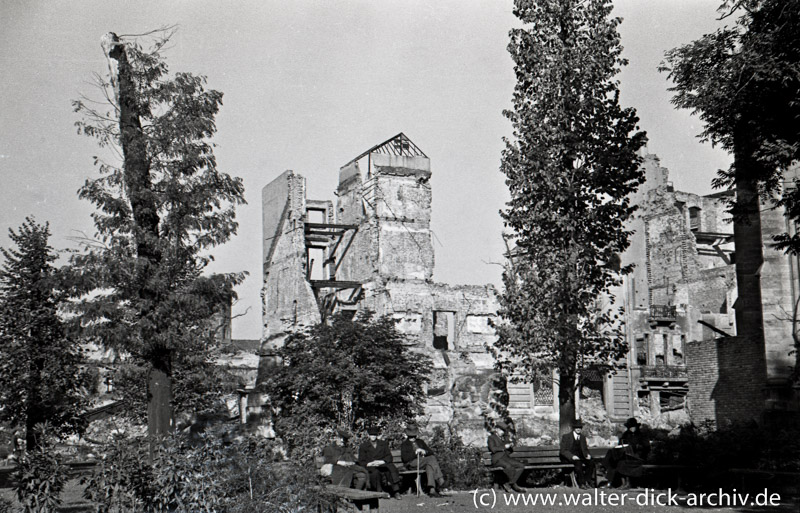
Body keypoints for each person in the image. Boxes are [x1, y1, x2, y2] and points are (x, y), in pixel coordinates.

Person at [602, 417, 650, 489]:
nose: (632, 429)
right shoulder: (626, 434)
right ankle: (620, 483)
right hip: (627, 456)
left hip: (638, 457)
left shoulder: (641, 435)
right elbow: (621, 443)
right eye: (630, 427)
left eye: (633, 427)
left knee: (622, 463)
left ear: (636, 427)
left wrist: (637, 447)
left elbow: (647, 447)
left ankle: (627, 483)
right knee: (616, 461)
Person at [400, 426, 445, 497]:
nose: (413, 438)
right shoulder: (405, 444)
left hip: (423, 463)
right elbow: (405, 458)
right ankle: (440, 478)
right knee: (431, 459)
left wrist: (424, 451)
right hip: (412, 464)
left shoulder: (420, 442)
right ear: (408, 435)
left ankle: (432, 490)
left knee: (429, 466)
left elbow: (431, 452)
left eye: (414, 436)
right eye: (411, 436)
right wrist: (415, 453)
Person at [358, 426, 402, 499]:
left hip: (382, 464)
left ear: (377, 435)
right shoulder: (363, 446)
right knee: (375, 472)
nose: (373, 437)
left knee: (390, 468)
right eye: (371, 435)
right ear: (368, 435)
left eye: (374, 435)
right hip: (371, 466)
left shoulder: (383, 444)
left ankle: (396, 491)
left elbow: (389, 456)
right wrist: (369, 463)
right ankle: (379, 492)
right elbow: (361, 460)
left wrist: (382, 461)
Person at [487, 421, 526, 492]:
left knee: (521, 465)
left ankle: (509, 483)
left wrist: (510, 444)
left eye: (504, 431)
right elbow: (493, 449)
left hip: (505, 457)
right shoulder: (491, 438)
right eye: (502, 430)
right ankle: (514, 486)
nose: (503, 432)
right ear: (497, 429)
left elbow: (509, 451)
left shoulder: (504, 437)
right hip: (497, 459)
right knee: (508, 466)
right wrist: (504, 446)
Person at [560, 419, 595, 489]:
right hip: (570, 458)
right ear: (574, 428)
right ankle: (581, 483)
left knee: (591, 462)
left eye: (580, 427)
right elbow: (563, 451)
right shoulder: (566, 437)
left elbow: (585, 449)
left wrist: (588, 455)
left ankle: (587, 481)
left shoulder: (582, 437)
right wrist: (572, 456)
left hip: (581, 456)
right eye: (577, 427)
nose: (578, 429)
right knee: (578, 463)